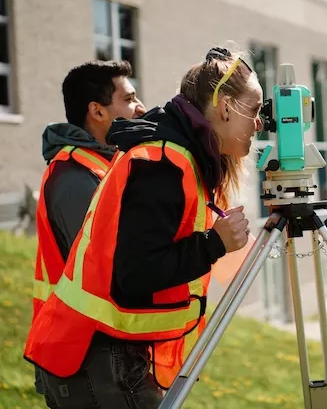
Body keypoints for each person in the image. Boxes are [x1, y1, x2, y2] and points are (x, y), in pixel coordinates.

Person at [24, 47, 263, 408]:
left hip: (104, 354)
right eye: (256, 111)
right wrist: (213, 244)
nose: (260, 124)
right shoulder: (163, 162)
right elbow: (135, 272)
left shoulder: (175, 158)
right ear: (225, 108)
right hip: (94, 356)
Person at [31, 59, 146, 394]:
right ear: (97, 111)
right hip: (88, 364)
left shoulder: (107, 166)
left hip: (105, 357)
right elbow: (114, 263)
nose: (140, 108)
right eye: (128, 99)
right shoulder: (74, 176)